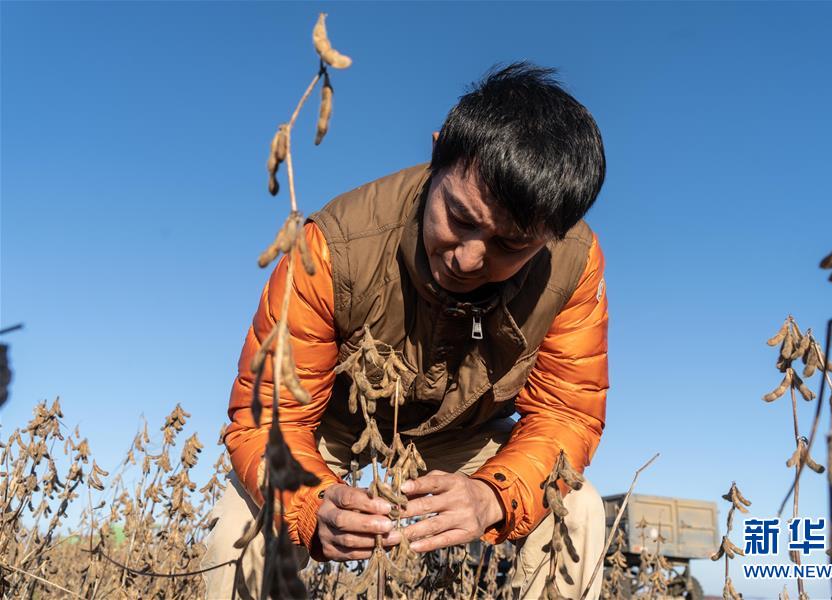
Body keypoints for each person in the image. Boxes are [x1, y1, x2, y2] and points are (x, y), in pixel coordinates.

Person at [201, 62, 610, 599]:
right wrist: (311, 505)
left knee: (574, 508)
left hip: (463, 437)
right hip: (332, 425)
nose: (467, 258)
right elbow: (268, 416)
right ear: (439, 153)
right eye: (459, 219)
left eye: (508, 246)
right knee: (239, 528)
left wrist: (492, 496)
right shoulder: (333, 247)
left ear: (550, 237)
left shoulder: (574, 265)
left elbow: (564, 415)